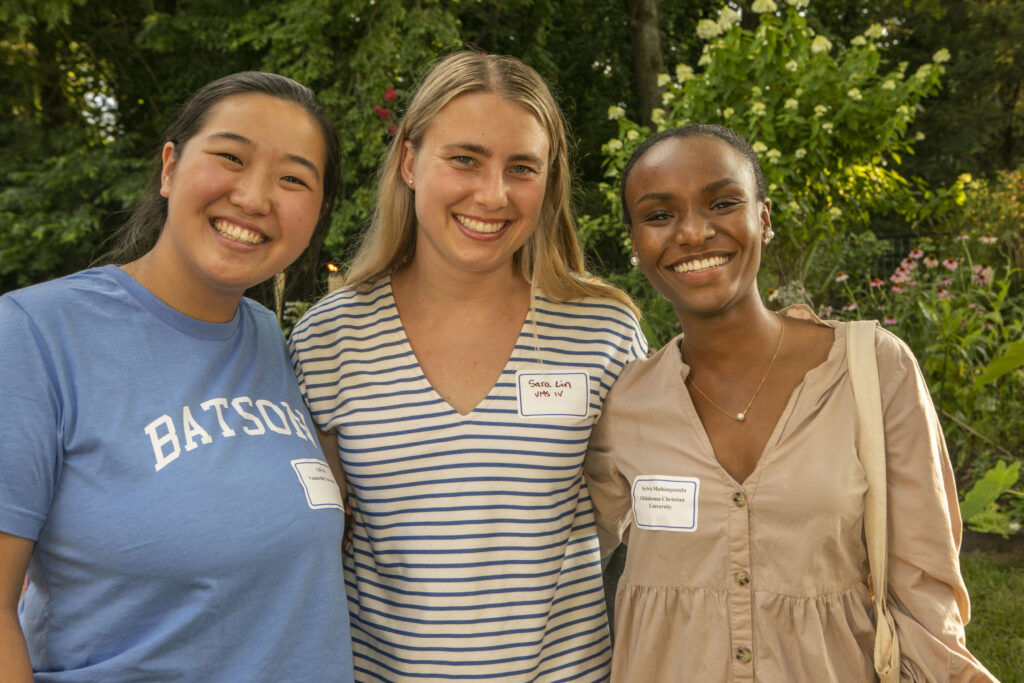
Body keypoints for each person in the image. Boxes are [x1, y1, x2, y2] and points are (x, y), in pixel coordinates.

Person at [584, 123, 996, 682]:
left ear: (764, 218)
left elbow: (925, 594)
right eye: (659, 215)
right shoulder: (625, 400)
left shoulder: (870, 369)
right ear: (635, 242)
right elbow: (555, 544)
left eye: (722, 202)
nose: (693, 232)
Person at [288, 51, 647, 681]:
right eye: (465, 159)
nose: (493, 194)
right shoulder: (329, 337)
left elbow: (644, 521)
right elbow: (314, 543)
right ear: (409, 163)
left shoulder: (601, 330)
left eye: (522, 168)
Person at [0, 71, 355, 682]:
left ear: (316, 214)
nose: (253, 197)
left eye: (292, 178)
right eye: (230, 157)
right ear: (170, 168)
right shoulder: (36, 334)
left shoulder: (275, 341)